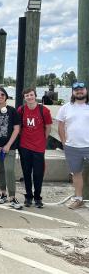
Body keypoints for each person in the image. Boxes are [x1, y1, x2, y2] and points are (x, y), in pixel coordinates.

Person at [0, 87, 22, 209]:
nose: (0, 96)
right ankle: (3, 193)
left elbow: (17, 129)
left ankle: (12, 196)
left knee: (9, 170)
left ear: (6, 96)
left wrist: (8, 145)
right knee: (0, 170)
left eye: (2, 94)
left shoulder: (12, 111)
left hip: (10, 147)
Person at [17, 88, 52, 208]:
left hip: (38, 147)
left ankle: (37, 197)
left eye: (31, 95)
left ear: (35, 95)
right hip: (24, 146)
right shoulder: (21, 110)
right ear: (24, 98)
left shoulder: (44, 110)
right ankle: (28, 196)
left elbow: (48, 127)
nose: (29, 97)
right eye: (27, 95)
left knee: (38, 174)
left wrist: (43, 140)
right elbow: (19, 127)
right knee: (26, 172)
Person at [57, 81, 89, 210]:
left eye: (81, 89)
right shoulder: (65, 107)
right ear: (72, 92)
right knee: (76, 173)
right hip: (72, 147)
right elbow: (60, 126)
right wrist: (64, 143)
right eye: (76, 90)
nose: (79, 91)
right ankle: (79, 199)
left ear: (86, 90)